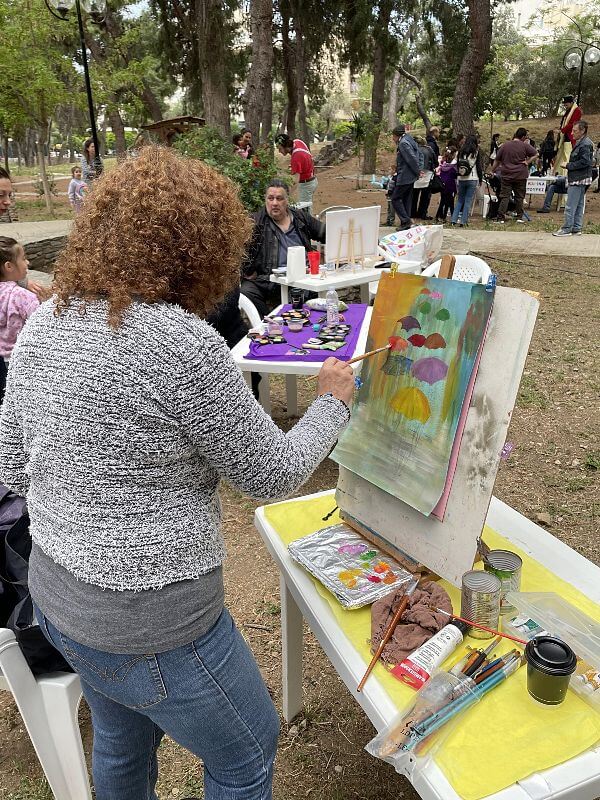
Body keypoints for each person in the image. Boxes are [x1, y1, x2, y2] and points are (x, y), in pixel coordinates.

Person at [0, 146, 355, 800]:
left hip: (59, 604)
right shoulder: (183, 346)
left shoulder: (45, 322)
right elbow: (272, 475)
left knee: (120, 738)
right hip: (153, 626)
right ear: (203, 247)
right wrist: (332, 401)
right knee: (247, 753)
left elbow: (11, 467)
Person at [241, 179, 325, 319]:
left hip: (302, 276)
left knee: (320, 291)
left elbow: (324, 232)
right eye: (270, 198)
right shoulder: (256, 222)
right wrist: (245, 270)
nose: (274, 203)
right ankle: (268, 323)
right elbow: (236, 249)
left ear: (287, 201)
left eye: (279, 198)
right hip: (269, 278)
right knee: (246, 291)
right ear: (265, 200)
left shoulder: (300, 218)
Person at [0, 237, 40, 405]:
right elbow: (41, 327)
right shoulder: (24, 297)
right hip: (25, 359)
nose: (27, 262)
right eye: (23, 258)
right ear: (9, 266)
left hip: (3, 359)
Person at [553, 119, 594, 237]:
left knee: (570, 204)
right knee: (579, 204)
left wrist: (568, 165)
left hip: (578, 178)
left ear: (583, 131)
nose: (572, 133)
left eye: (575, 131)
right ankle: (576, 228)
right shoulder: (583, 143)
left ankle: (566, 228)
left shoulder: (585, 144)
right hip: (581, 178)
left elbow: (586, 162)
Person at [490, 127, 537, 224]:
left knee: (505, 196)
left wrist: (492, 170)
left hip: (507, 175)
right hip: (520, 175)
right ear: (523, 137)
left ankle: (501, 217)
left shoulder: (505, 145)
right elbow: (536, 154)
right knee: (519, 197)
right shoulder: (524, 146)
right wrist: (527, 162)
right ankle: (519, 217)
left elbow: (497, 160)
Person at [275, 133, 318, 212]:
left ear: (285, 146)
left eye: (280, 148)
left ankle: (310, 224)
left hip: (306, 184)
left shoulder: (296, 157)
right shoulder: (298, 142)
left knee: (305, 211)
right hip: (312, 180)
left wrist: (286, 196)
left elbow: (295, 181)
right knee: (308, 207)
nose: (279, 151)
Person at [390, 124, 420, 231]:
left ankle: (406, 220)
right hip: (411, 176)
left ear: (397, 135)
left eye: (393, 136)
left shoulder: (403, 144)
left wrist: (418, 171)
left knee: (395, 198)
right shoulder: (410, 140)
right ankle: (406, 223)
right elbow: (418, 154)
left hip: (405, 176)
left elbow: (411, 159)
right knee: (407, 199)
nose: (393, 139)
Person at [450, 135, 482, 227]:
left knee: (460, 200)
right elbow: (478, 167)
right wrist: (480, 178)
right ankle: (463, 221)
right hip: (472, 178)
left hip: (461, 178)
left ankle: (453, 220)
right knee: (468, 201)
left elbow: (456, 165)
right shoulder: (475, 152)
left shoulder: (460, 151)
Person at [412, 136, 437, 220]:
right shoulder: (429, 150)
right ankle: (422, 213)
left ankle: (412, 212)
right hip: (427, 175)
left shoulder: (413, 150)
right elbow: (435, 162)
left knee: (414, 195)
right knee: (425, 196)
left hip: (415, 174)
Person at [435, 148, 458, 222]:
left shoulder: (442, 167)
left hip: (443, 186)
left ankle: (439, 216)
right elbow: (455, 176)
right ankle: (452, 217)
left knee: (442, 201)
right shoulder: (452, 169)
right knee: (451, 203)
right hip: (450, 187)